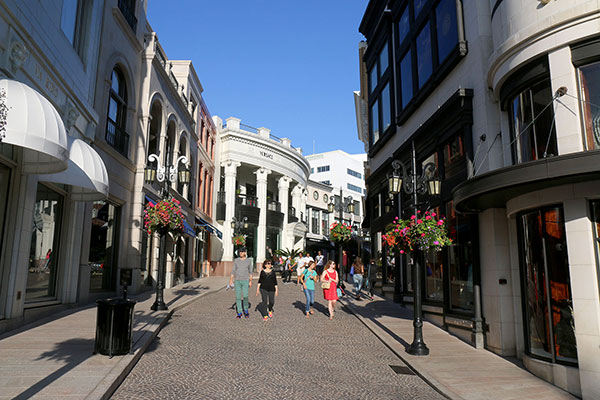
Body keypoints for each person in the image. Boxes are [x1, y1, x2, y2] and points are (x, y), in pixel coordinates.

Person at [228, 247, 253, 319]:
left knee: (245, 296)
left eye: (242, 252)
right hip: (237, 281)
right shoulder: (236, 260)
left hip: (245, 280)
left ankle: (246, 309)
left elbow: (250, 272)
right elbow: (233, 271)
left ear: (245, 252)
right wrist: (231, 280)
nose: (241, 253)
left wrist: (250, 281)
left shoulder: (248, 261)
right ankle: (239, 312)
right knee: (238, 297)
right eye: (240, 252)